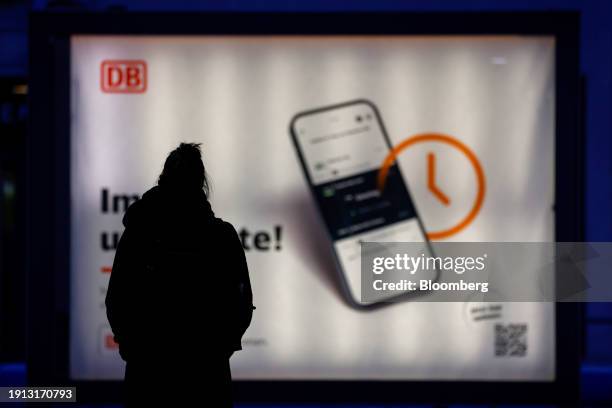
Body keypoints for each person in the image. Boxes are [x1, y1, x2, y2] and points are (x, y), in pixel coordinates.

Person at [105, 143, 254, 407]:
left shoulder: (138, 233)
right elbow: (240, 305)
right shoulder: (221, 237)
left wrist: (133, 347)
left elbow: (117, 298)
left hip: (147, 373)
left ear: (163, 180)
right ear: (201, 184)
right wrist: (218, 350)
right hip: (206, 375)